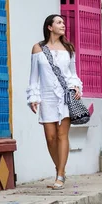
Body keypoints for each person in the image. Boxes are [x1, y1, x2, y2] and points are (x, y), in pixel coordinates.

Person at [26, 14, 83, 190]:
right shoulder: (38, 49)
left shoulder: (68, 48)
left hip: (65, 96)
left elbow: (72, 73)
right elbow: (33, 77)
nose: (63, 25)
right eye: (59, 22)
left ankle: (60, 174)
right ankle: (60, 169)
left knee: (61, 135)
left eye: (63, 22)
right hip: (47, 96)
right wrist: (33, 97)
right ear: (49, 27)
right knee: (50, 137)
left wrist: (76, 87)